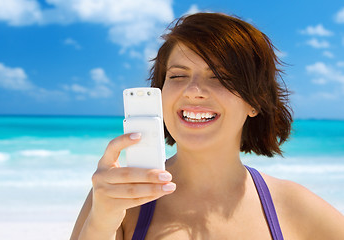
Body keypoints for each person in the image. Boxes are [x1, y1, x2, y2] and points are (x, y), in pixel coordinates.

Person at [70, 12, 344, 240]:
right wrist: (102, 222)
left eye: (220, 77)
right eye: (177, 75)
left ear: (255, 101)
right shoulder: (119, 199)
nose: (193, 91)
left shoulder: (294, 207)